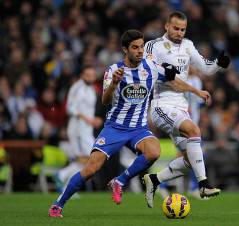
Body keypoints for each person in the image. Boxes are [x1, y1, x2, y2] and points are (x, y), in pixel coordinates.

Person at [48, 29, 181, 218]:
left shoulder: (150, 67)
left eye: (142, 46)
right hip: (114, 128)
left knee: (154, 151)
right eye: (135, 47)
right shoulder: (113, 70)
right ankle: (58, 204)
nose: (140, 51)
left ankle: (120, 181)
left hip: (138, 129)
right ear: (125, 49)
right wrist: (114, 84)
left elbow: (172, 77)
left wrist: (196, 90)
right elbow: (105, 100)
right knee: (91, 168)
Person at [142, 11, 230, 208]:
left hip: (181, 107)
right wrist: (165, 72)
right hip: (162, 105)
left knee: (190, 159)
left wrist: (218, 64)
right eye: (176, 28)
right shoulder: (154, 46)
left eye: (183, 29)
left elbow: (205, 68)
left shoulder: (188, 45)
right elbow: (146, 69)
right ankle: (203, 184)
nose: (179, 32)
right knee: (194, 131)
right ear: (166, 26)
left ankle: (154, 180)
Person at [54, 66, 103, 192]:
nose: (90, 78)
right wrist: (89, 120)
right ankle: (63, 176)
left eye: (92, 75)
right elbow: (70, 108)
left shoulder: (91, 89)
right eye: (88, 75)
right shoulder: (77, 88)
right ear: (82, 75)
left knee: (87, 160)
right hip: (77, 129)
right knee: (92, 157)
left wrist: (93, 120)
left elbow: (87, 110)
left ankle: (63, 179)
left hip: (86, 129)